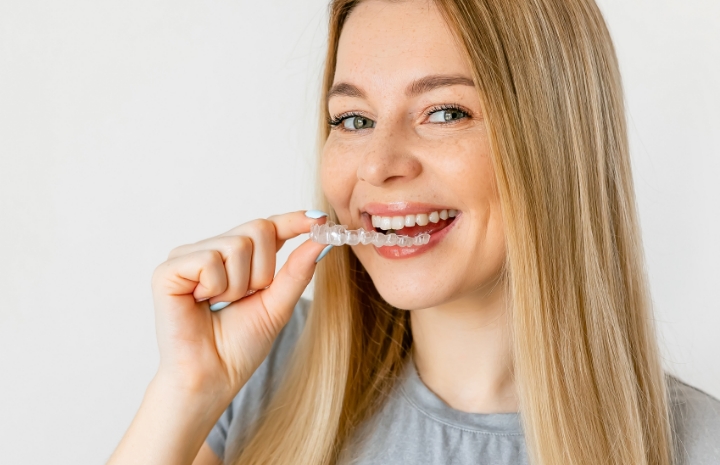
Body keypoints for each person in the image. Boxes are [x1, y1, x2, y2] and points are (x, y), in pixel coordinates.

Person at [108, 0, 720, 464]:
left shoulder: (697, 446)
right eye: (353, 119)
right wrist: (187, 392)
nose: (377, 165)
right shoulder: (263, 370)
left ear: (558, 144)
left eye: (445, 112)